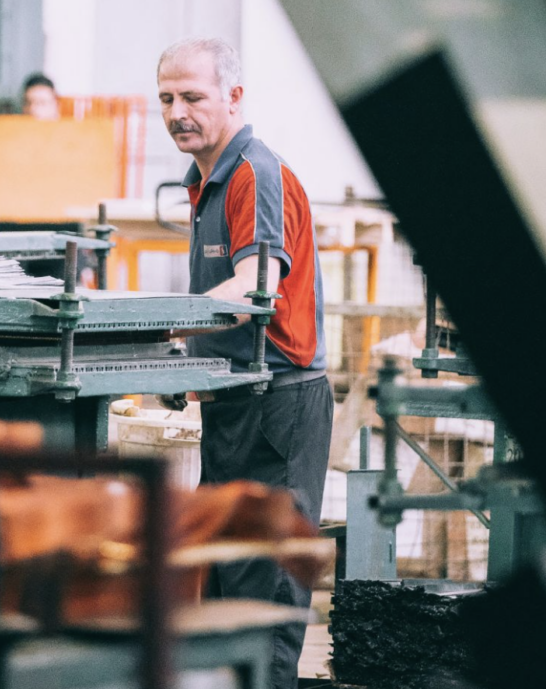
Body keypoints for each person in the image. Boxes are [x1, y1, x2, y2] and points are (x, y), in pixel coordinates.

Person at [156, 37, 332, 689]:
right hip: (235, 401)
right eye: (167, 99)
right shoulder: (204, 180)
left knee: (267, 592)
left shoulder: (254, 172)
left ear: (232, 96)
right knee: (227, 582)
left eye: (192, 97)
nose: (178, 112)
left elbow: (254, 289)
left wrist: (151, 326)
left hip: (279, 403)